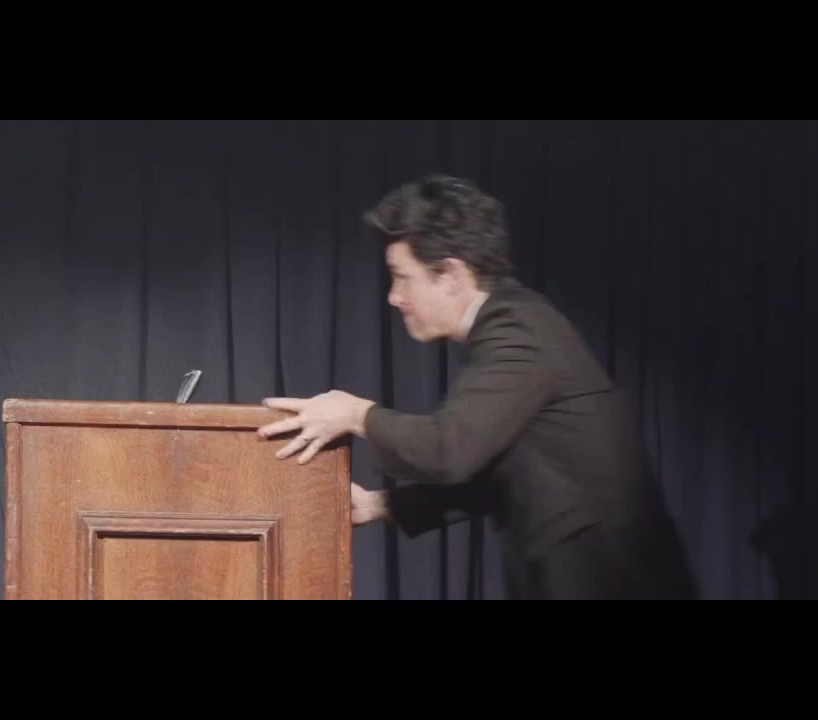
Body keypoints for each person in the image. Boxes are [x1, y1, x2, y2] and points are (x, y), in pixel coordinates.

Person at [257, 173, 697, 600]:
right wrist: (380, 505)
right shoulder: (515, 324)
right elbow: (498, 476)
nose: (394, 296)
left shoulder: (518, 332)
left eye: (402, 276)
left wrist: (355, 414)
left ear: (450, 274)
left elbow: (449, 450)